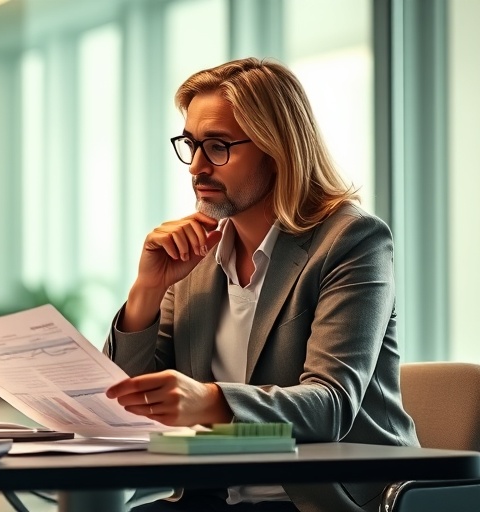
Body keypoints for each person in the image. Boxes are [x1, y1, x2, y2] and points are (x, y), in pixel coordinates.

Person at [101, 58, 418, 512]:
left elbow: (330, 406)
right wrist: (146, 290)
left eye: (216, 146)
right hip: (213, 496)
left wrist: (209, 401)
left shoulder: (351, 240)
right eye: (190, 144)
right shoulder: (195, 254)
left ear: (277, 149)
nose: (195, 166)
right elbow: (123, 407)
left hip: (323, 498)